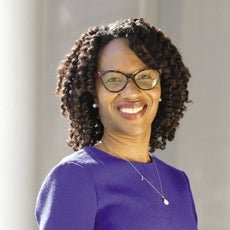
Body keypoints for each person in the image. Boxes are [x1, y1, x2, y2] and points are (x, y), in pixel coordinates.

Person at [35, 18, 198, 229]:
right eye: (113, 79)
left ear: (161, 89)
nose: (131, 92)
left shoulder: (178, 183)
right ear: (93, 93)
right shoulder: (75, 177)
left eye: (145, 76)